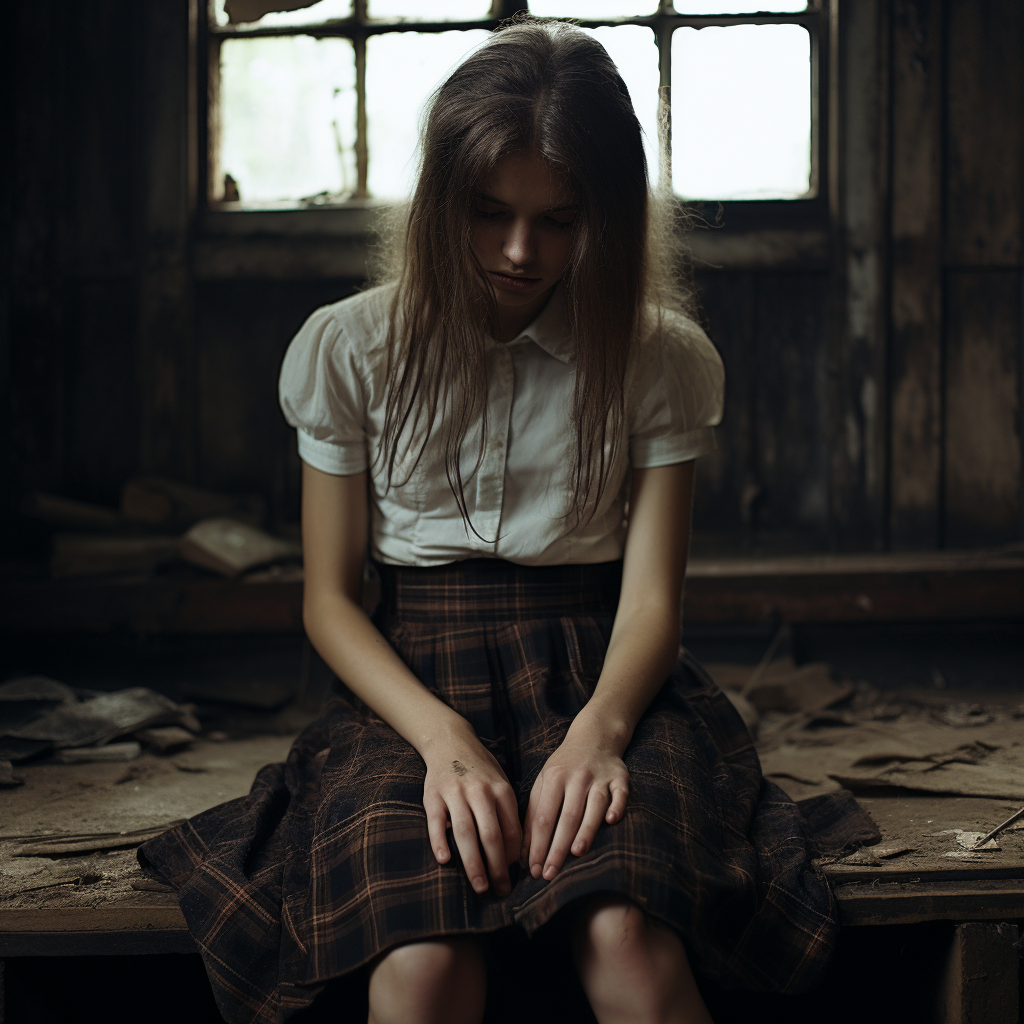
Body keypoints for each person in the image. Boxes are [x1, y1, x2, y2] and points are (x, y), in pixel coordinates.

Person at [140, 17, 857, 1024]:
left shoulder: (660, 355)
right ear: (442, 201)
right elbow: (329, 601)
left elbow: (651, 600)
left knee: (623, 928)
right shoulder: (347, 348)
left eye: (559, 219)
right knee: (424, 957)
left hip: (600, 675)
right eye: (489, 212)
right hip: (407, 685)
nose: (521, 250)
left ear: (606, 218)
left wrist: (601, 733)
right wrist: (439, 737)